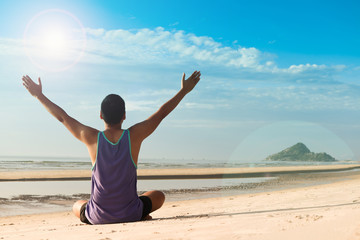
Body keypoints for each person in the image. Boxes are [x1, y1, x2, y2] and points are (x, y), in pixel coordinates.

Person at [21, 70, 201, 224]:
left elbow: (63, 118)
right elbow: (161, 114)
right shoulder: (134, 136)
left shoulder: (91, 137)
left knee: (77, 205)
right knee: (158, 196)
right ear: (124, 115)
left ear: (101, 115)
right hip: (131, 213)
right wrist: (183, 91)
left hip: (98, 217)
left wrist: (39, 96)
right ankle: (140, 212)